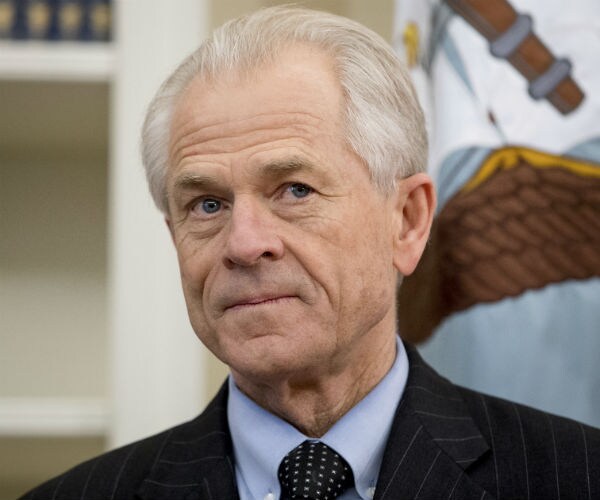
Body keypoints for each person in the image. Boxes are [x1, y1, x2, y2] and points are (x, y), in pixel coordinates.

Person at [21, 6, 599, 500]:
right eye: (207, 205)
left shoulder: (577, 477)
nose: (245, 244)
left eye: (295, 190)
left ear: (407, 220)